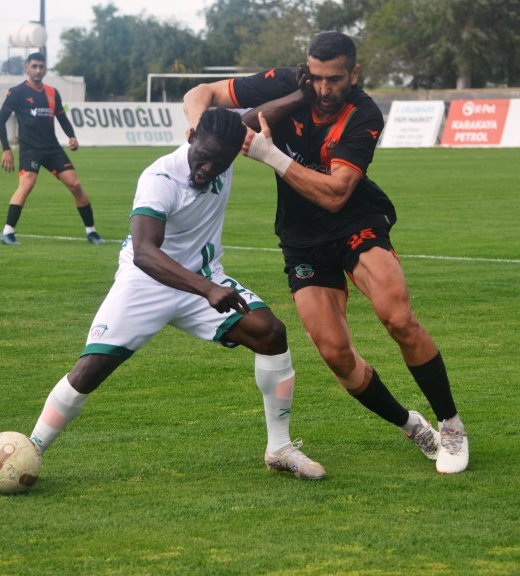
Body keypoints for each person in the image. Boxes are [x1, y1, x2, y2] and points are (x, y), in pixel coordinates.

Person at [183, 31, 469, 474]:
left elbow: (336, 193)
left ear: (354, 73)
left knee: (397, 317)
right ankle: (412, 426)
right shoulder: (286, 83)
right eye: (315, 77)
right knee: (336, 355)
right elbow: (201, 91)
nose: (322, 89)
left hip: (356, 223)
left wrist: (268, 153)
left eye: (334, 79)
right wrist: (200, 121)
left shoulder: (364, 114)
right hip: (302, 238)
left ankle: (451, 425)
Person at [26, 107, 325, 481]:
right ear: (190, 137)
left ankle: (279, 448)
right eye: (203, 159)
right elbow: (145, 252)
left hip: (202, 278)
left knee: (270, 333)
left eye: (219, 163)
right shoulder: (159, 177)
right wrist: (207, 289)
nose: (208, 170)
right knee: (91, 369)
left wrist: (305, 94)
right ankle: (29, 448)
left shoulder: (223, 146)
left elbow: (249, 118)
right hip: (146, 282)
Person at [0, 51, 105, 247]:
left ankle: (92, 232)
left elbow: (62, 117)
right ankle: (7, 232)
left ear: (45, 69)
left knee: (76, 185)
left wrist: (72, 136)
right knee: (27, 184)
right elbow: (1, 121)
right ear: (26, 68)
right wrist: (6, 149)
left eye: (41, 67)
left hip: (52, 148)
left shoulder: (52, 93)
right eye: (34, 66)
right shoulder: (17, 92)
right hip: (30, 149)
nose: (38, 70)